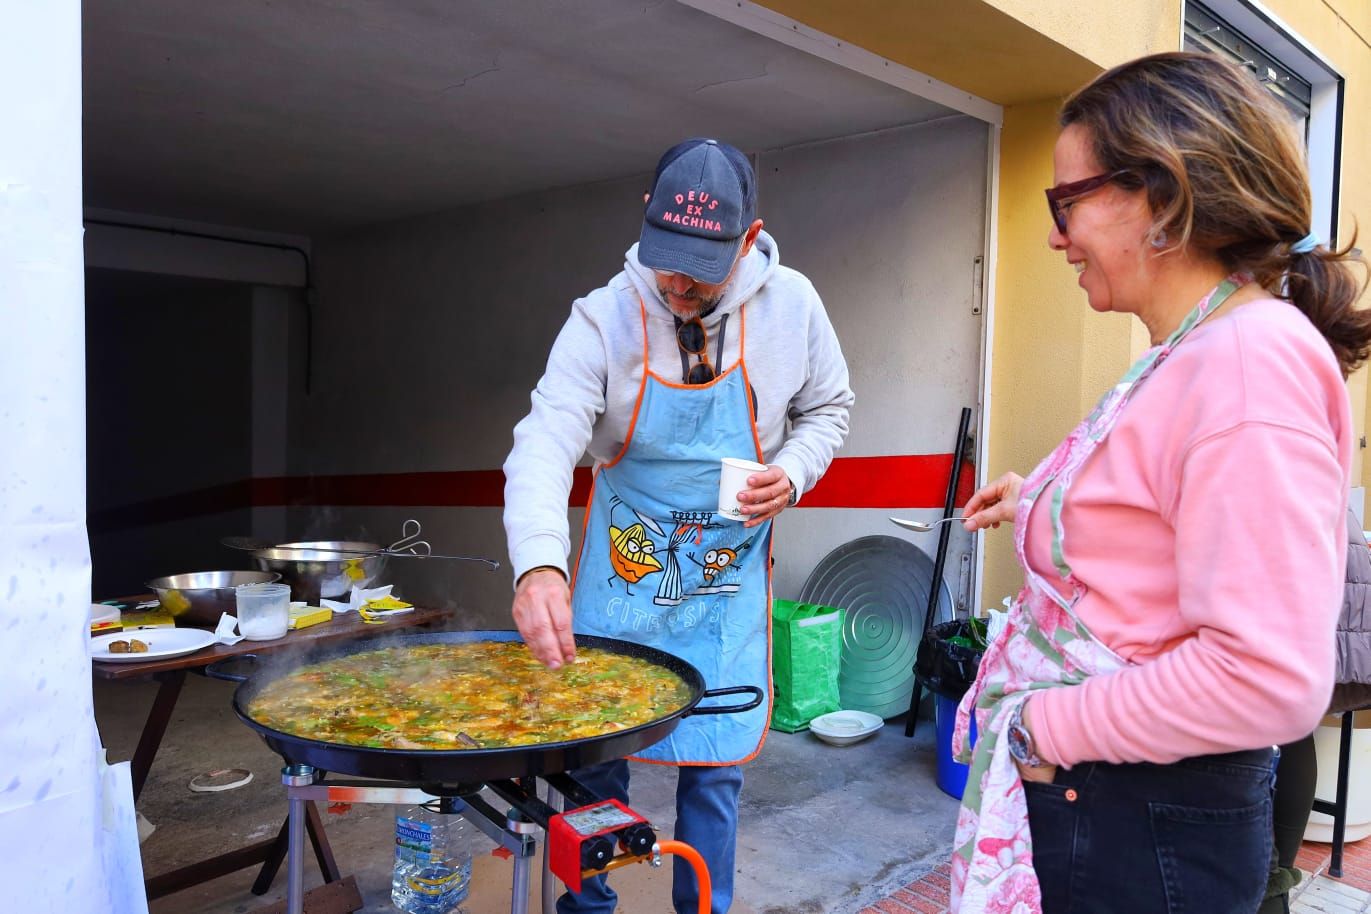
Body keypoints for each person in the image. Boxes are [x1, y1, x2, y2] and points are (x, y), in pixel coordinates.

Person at [949, 51, 1371, 914]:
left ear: (1164, 201)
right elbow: (1163, 527)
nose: (1054, 236)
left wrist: (1042, 725)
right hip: (1116, 804)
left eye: (1066, 202)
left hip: (1131, 817)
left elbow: (1265, 676)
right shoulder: (1201, 348)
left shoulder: (1248, 365)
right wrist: (1040, 499)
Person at [502, 137, 853, 914]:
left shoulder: (793, 305)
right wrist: (537, 565)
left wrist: (791, 473)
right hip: (624, 570)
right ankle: (587, 907)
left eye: (704, 264)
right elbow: (545, 439)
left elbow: (829, 408)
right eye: (668, 259)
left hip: (722, 579)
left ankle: (704, 908)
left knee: (715, 767)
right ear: (645, 222)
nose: (681, 283)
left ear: (749, 238)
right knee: (592, 759)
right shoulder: (601, 319)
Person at [1261, 508, 1371, 914]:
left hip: (1294, 548)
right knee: (1287, 724)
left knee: (1264, 720)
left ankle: (1271, 891)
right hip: (1324, 543)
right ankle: (1275, 891)